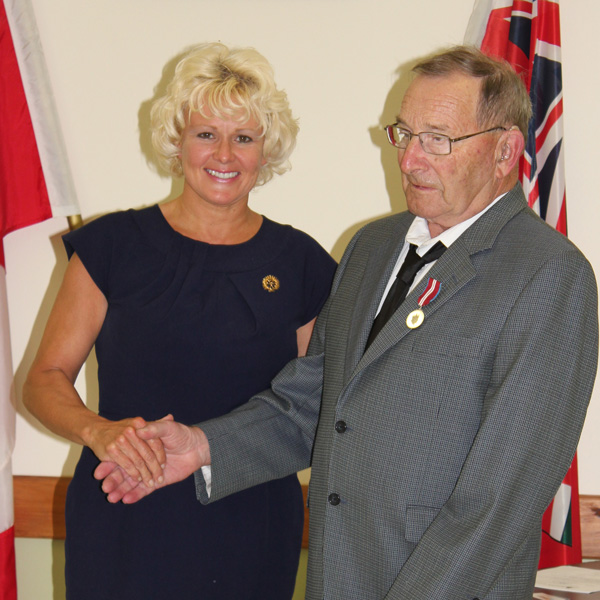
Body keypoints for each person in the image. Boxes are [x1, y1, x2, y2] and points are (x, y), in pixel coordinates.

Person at [97, 46, 598, 600]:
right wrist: (201, 445)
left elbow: (501, 499)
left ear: (504, 150)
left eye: (438, 139)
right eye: (405, 134)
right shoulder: (373, 246)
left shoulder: (548, 274)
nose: (409, 160)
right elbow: (313, 401)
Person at [23, 42, 336, 600]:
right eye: (205, 133)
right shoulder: (113, 245)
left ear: (266, 151)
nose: (225, 153)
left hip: (250, 518)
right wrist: (100, 432)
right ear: (177, 141)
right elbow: (44, 379)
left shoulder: (302, 264)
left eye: (244, 137)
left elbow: (327, 407)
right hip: (123, 502)